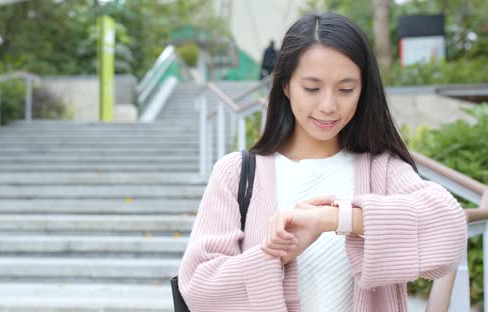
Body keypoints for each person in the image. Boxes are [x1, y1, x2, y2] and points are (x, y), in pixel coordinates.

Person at [177, 12, 467, 312]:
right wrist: (279, 254)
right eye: (312, 88)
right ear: (286, 86)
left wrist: (333, 219)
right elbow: (199, 290)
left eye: (346, 90)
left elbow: (449, 230)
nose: (328, 106)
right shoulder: (237, 174)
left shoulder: (382, 169)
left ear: (363, 91)